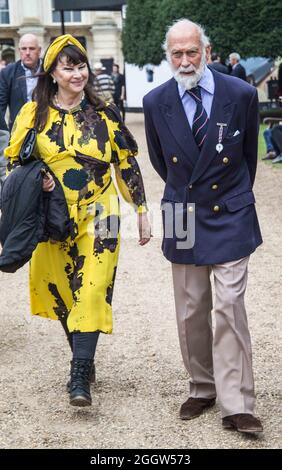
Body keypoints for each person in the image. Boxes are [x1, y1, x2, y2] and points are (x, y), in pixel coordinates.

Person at [4, 34, 151, 407]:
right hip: (52, 215)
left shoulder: (105, 114)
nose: (77, 73)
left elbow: (127, 163)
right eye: (68, 67)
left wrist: (142, 211)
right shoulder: (33, 115)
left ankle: (79, 373)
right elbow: (14, 162)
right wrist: (37, 177)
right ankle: (82, 355)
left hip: (102, 213)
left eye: (81, 65)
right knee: (61, 291)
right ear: (52, 72)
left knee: (94, 285)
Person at [143, 18, 263, 434]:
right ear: (168, 56)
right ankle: (202, 387)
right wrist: (184, 192)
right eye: (176, 53)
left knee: (229, 305)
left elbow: (249, 156)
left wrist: (233, 197)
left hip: (229, 209)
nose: (185, 59)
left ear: (207, 52)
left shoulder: (242, 94)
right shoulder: (155, 101)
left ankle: (238, 403)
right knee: (191, 309)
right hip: (181, 209)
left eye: (192, 51)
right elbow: (162, 161)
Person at [0, 33, 42, 131]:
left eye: (32, 48)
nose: (27, 52)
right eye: (24, 49)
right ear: (19, 51)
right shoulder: (8, 73)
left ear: (39, 51)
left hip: (47, 129)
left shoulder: (48, 70)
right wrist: (4, 135)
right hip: (19, 130)